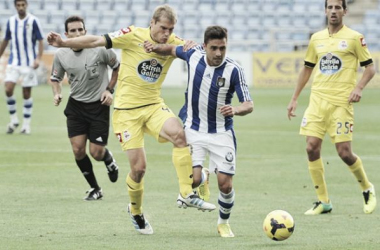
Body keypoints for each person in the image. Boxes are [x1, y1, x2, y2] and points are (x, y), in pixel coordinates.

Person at [47, 5, 216, 234]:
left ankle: (187, 193)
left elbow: (197, 51)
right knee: (139, 169)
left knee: (180, 135)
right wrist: (64, 43)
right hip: (126, 112)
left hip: (153, 105)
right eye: (163, 28)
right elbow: (96, 40)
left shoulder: (173, 41)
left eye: (171, 29)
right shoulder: (132, 35)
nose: (166, 33)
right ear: (153, 22)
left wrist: (193, 45)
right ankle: (136, 211)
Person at [144, 25, 254, 237]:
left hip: (222, 133)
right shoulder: (193, 54)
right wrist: (154, 47)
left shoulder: (234, 70)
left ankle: (223, 223)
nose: (218, 53)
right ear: (204, 46)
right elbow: (171, 49)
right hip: (193, 130)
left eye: (222, 48)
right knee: (191, 181)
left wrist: (236, 109)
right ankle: (202, 177)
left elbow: (248, 104)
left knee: (225, 184)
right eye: (213, 48)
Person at [287, 0, 376, 215]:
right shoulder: (316, 38)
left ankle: (367, 188)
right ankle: (323, 201)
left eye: (338, 7)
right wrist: (295, 98)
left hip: (341, 103)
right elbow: (307, 69)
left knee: (344, 153)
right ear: (325, 10)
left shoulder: (355, 38)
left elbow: (370, 68)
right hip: (317, 102)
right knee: (311, 148)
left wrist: (359, 88)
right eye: (330, 7)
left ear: (345, 11)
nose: (333, 11)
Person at [50, 16, 120, 200]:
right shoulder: (60, 54)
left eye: (80, 29)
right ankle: (96, 189)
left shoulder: (101, 49)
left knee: (96, 153)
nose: (77, 33)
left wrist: (109, 90)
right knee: (78, 150)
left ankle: (108, 159)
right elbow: (55, 78)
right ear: (66, 34)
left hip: (98, 106)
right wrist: (56, 93)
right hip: (76, 107)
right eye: (72, 31)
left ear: (85, 31)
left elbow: (118, 67)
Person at [0, 0, 44, 134]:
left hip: (29, 63)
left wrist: (38, 59)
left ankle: (26, 125)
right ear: (15, 6)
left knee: (26, 93)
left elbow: (41, 40)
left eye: (23, 5)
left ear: (26, 5)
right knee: (8, 89)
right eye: (18, 5)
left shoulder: (33, 21)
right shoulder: (11, 21)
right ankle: (14, 120)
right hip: (14, 62)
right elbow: (6, 40)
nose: (21, 7)